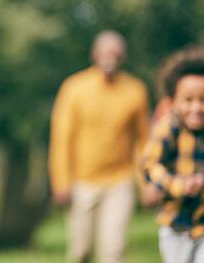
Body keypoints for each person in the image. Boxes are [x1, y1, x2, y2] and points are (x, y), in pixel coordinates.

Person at [48, 30, 150, 263]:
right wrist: (61, 181)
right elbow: (62, 139)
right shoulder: (74, 87)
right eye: (105, 52)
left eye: (115, 52)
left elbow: (143, 141)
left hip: (120, 181)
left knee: (113, 250)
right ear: (94, 54)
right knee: (81, 252)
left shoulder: (136, 90)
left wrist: (146, 183)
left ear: (123, 56)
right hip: (81, 182)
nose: (110, 57)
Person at [142, 47, 204, 263]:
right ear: (173, 100)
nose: (196, 107)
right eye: (188, 100)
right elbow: (150, 164)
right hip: (177, 222)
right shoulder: (168, 130)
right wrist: (177, 184)